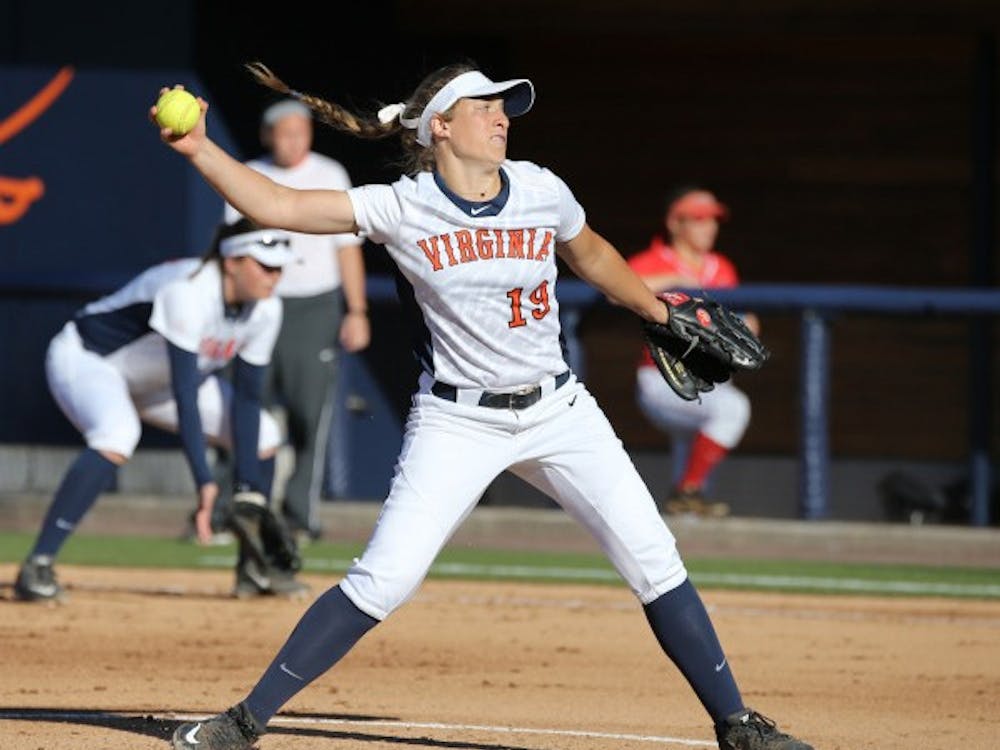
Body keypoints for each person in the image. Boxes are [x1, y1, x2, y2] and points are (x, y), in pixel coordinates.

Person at [152, 64, 813, 750]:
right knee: (384, 579)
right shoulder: (401, 205)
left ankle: (738, 726)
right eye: (485, 107)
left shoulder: (539, 188)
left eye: (506, 108)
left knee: (654, 558)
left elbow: (588, 252)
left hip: (560, 411)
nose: (502, 118)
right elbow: (277, 208)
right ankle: (245, 720)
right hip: (458, 419)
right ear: (440, 126)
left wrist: (654, 309)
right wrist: (200, 147)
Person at [13, 219, 308, 602]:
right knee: (118, 434)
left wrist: (247, 489)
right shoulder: (187, 290)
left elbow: (249, 399)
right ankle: (38, 563)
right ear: (231, 261)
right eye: (265, 265)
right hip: (90, 362)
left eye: (280, 267)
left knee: (266, 436)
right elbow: (186, 394)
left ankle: (254, 568)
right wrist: (204, 480)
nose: (274, 276)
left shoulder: (266, 309)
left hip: (159, 384)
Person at [219, 99, 370, 540]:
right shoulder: (248, 172)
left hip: (314, 306)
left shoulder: (330, 174)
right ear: (268, 135)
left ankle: (298, 516)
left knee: (309, 414)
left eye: (301, 132)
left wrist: (357, 311)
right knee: (245, 407)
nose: (293, 141)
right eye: (284, 132)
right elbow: (232, 250)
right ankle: (235, 510)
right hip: (259, 307)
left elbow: (348, 250)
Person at [628, 188, 759, 518]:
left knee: (696, 449)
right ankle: (688, 490)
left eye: (712, 220)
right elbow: (615, 291)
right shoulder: (654, 260)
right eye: (699, 219)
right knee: (733, 409)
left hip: (707, 375)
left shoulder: (722, 267)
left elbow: (748, 320)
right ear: (675, 222)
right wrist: (673, 280)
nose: (708, 227)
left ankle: (685, 505)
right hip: (662, 378)